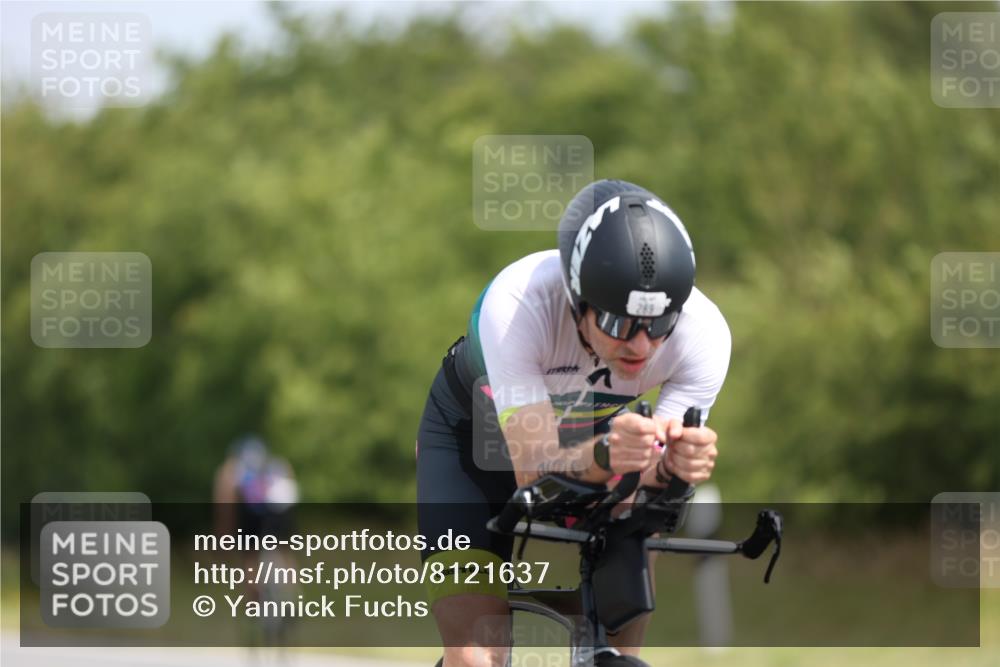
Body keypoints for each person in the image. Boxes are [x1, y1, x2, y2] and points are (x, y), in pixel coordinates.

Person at [416, 179, 731, 667]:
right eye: (617, 323)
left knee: (620, 643)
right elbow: (535, 475)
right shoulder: (520, 304)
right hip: (474, 446)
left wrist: (673, 468)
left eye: (659, 324)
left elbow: (645, 485)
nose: (641, 346)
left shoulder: (703, 333)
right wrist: (608, 452)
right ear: (575, 300)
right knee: (478, 657)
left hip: (594, 444)